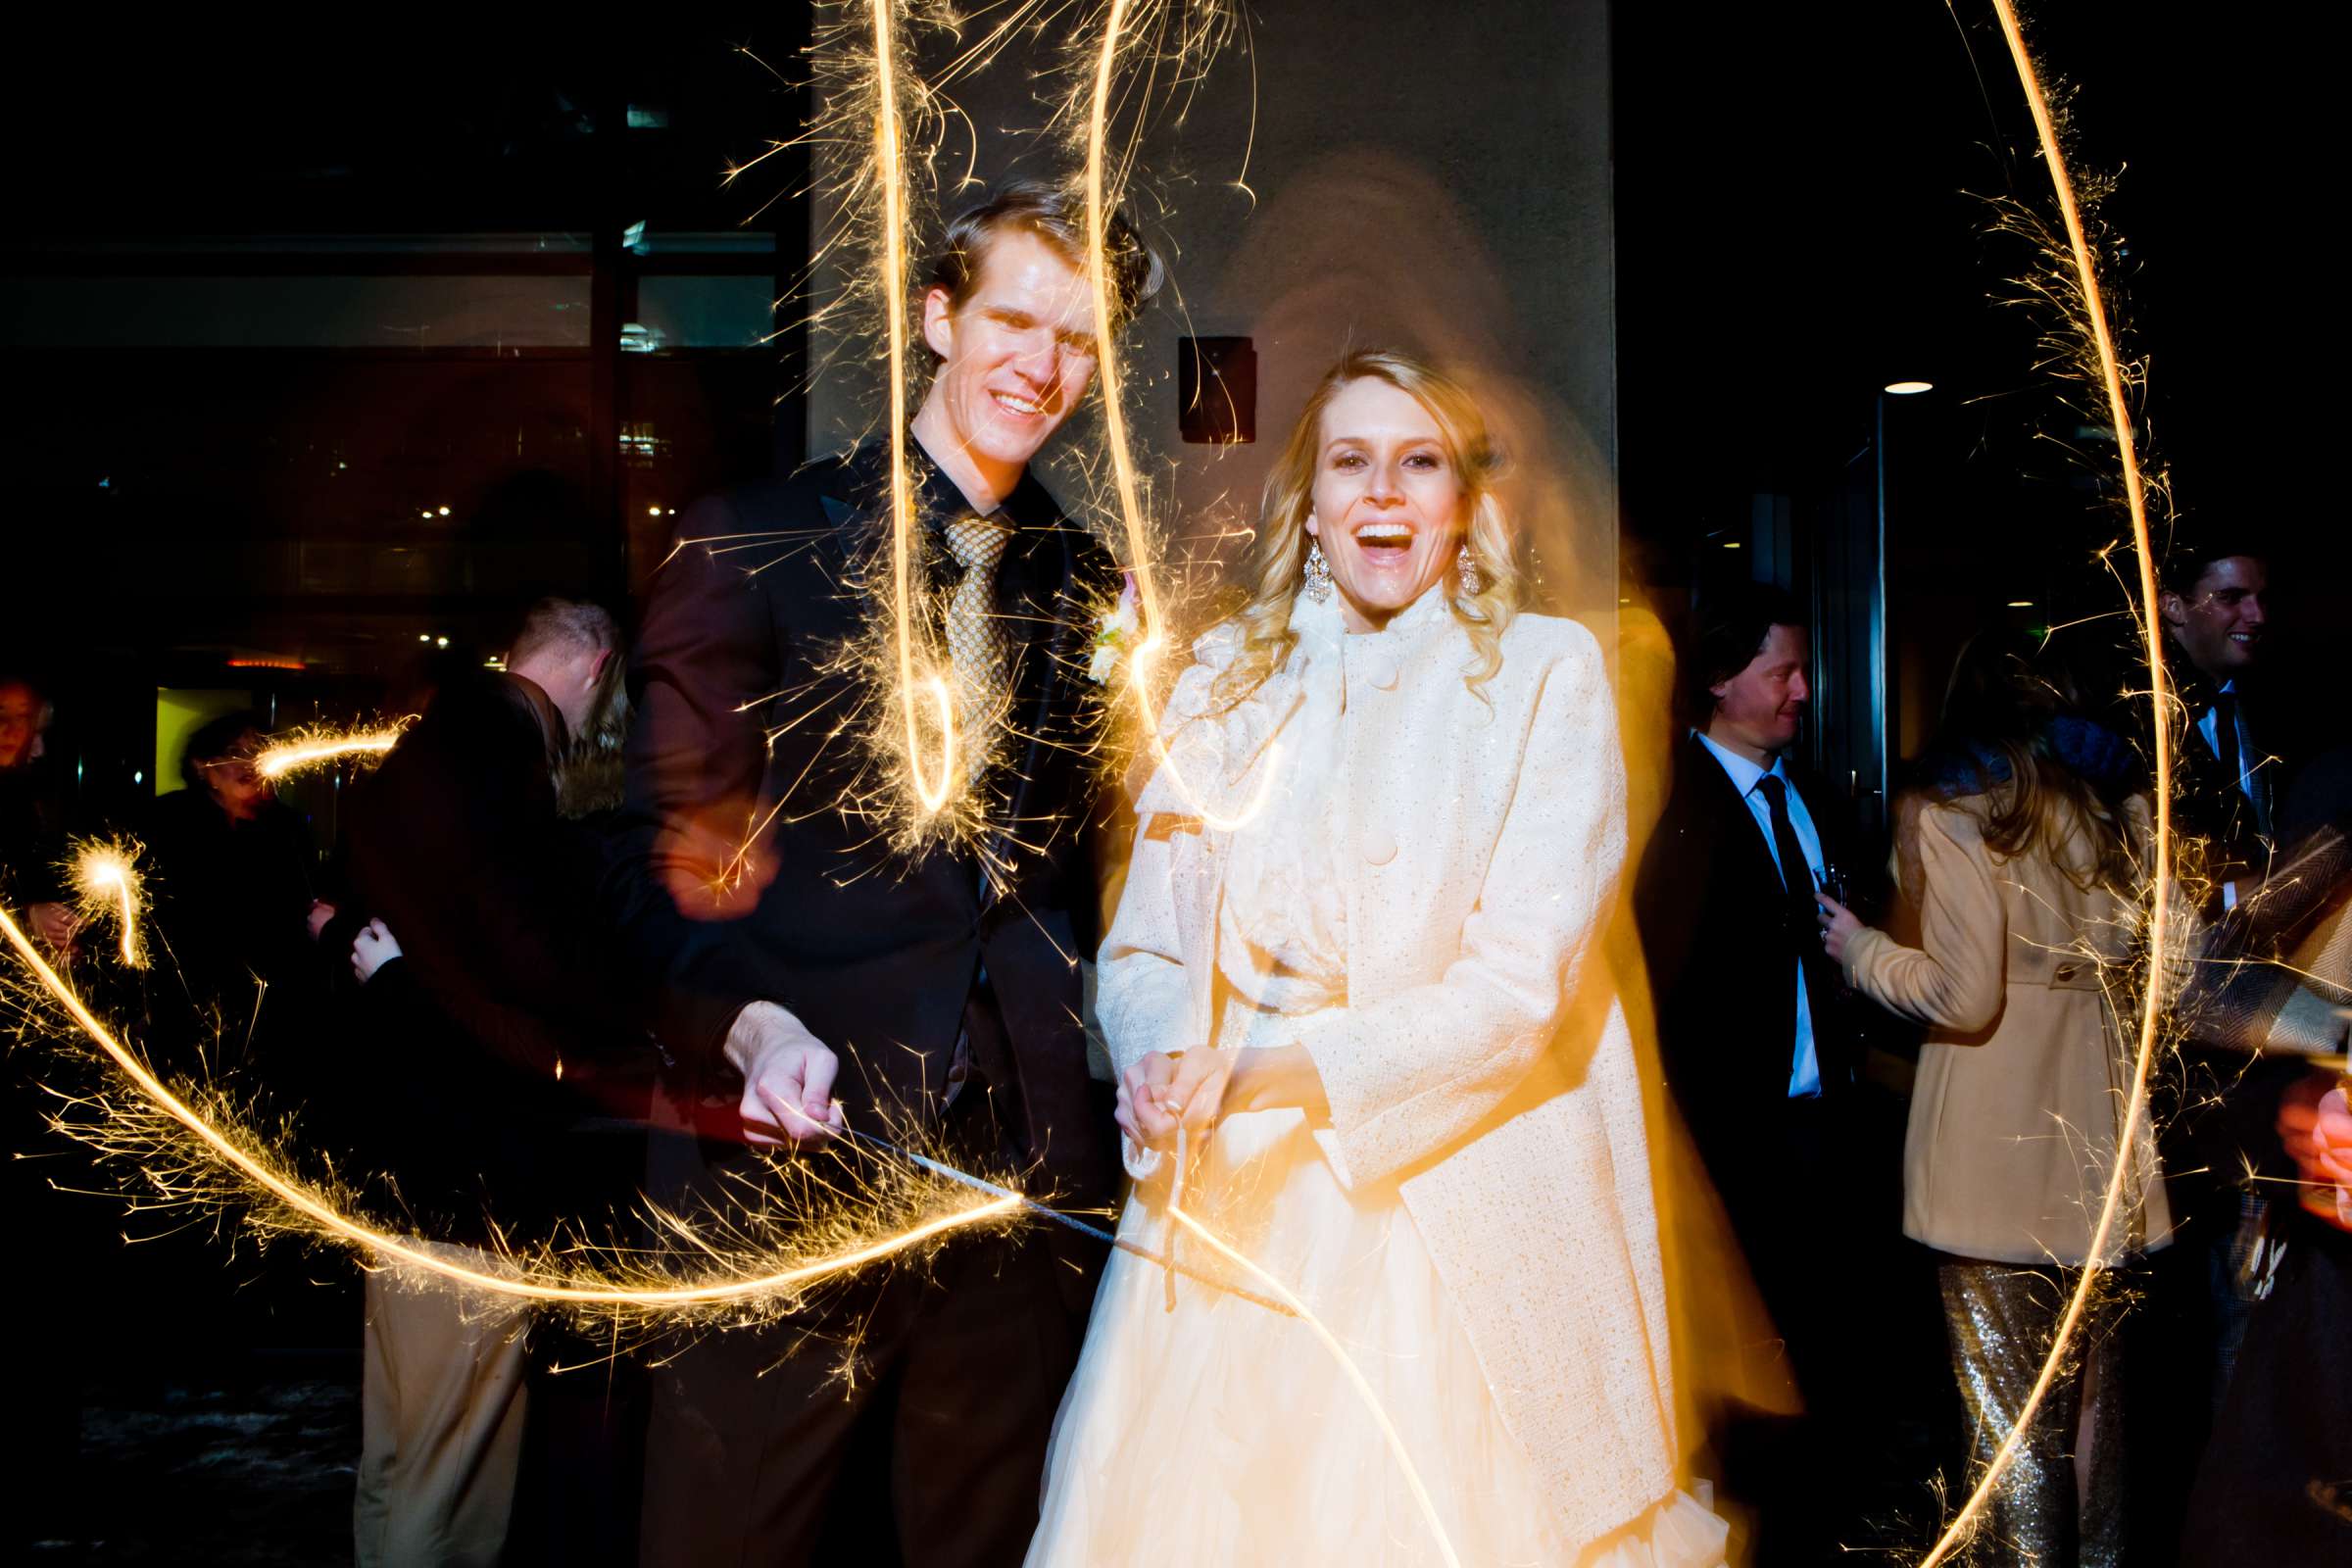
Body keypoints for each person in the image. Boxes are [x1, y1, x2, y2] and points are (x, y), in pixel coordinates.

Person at [1026, 350, 1724, 1567]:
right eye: (1352, 462)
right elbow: (1142, 946)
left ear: (1462, 501)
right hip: (1227, 1218)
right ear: (1310, 499)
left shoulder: (1548, 678)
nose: (1385, 494)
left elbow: (1519, 990)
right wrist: (1156, 1055)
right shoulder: (1219, 685)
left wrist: (1264, 1070)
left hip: (1465, 1210)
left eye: (1419, 463)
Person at [618, 180, 1160, 1568]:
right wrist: (743, 1023)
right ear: (938, 317)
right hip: (792, 1164)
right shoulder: (754, 541)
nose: (1041, 367)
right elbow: (644, 874)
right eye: (1014, 321)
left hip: (1013, 1183)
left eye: (1079, 340)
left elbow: (1097, 871)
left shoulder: (1095, 585)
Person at [1818, 630, 2170, 1567]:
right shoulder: (2119, 808)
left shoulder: (1959, 814)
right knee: (2099, 1422)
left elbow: (1962, 995)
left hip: (1996, 1158)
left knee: (2014, 1433)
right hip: (2101, 1147)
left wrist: (1862, 951)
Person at [338, 598, 648, 1568]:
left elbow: (409, 936)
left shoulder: (440, 745)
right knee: (448, 1464)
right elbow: (517, 951)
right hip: (463, 1166)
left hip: (411, 1162)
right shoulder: (492, 755)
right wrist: (635, 1010)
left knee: (406, 1455)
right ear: (597, 669)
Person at [1633, 581, 1866, 1557]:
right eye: (1784, 671)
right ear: (1723, 679)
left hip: (1818, 1131)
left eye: (1804, 671)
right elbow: (1661, 988)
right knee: (1736, 1373)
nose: (1804, 691)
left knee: (1819, 1357)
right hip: (1729, 1144)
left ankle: (1805, 1528)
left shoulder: (1805, 800)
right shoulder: (1673, 811)